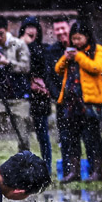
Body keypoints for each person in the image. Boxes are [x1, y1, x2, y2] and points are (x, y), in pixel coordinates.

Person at [54, 21, 102, 182]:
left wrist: (79, 57)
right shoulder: (70, 52)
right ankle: (74, 172)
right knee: (72, 138)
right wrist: (66, 57)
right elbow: (58, 69)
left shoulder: (98, 50)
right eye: (74, 38)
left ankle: (95, 172)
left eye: (79, 38)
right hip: (71, 103)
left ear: (87, 37)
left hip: (90, 103)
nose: (76, 42)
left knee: (92, 138)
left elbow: (97, 67)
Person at [20, 17, 57, 172]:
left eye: (33, 27)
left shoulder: (43, 49)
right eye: (27, 27)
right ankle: (23, 167)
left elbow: (42, 67)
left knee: (43, 135)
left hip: (39, 98)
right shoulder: (18, 47)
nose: (31, 30)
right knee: (22, 135)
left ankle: (46, 168)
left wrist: (32, 45)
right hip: (22, 96)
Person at [45, 17, 72, 167]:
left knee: (85, 135)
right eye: (57, 29)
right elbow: (48, 76)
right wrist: (58, 96)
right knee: (64, 135)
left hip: (81, 99)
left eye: (63, 28)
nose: (61, 32)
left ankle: (90, 168)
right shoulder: (52, 51)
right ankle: (68, 168)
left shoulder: (78, 47)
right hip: (62, 100)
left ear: (69, 28)